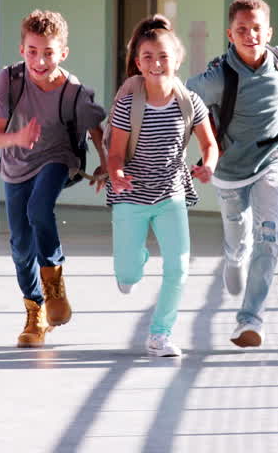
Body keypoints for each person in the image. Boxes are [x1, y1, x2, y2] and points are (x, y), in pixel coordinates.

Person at [0, 10, 107, 348]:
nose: (40, 60)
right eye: (32, 51)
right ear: (21, 49)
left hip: (57, 158)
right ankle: (34, 309)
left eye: (49, 52)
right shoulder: (8, 80)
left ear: (63, 53)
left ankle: (54, 286)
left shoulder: (73, 92)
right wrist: (18, 138)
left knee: (39, 209)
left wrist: (104, 165)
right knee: (20, 246)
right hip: (16, 163)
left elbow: (96, 129)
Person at [106, 18, 218, 357]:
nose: (157, 63)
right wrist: (116, 173)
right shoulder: (129, 104)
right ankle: (136, 258)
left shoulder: (190, 102)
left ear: (177, 60)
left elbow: (209, 144)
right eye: (149, 57)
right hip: (131, 195)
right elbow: (114, 153)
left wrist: (208, 166)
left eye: (164, 56)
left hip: (171, 194)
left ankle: (160, 334)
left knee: (178, 267)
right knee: (126, 274)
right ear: (138, 63)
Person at [186, 0, 278, 348]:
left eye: (257, 29)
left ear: (269, 31)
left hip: (272, 163)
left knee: (268, 237)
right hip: (229, 169)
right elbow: (181, 98)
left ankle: (250, 321)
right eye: (242, 30)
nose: (251, 36)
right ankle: (233, 255)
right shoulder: (218, 77)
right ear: (230, 34)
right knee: (238, 235)